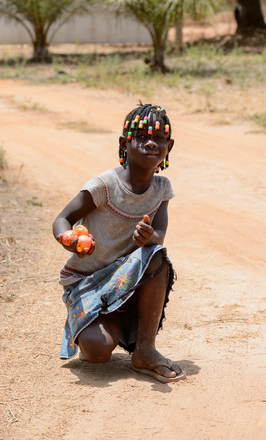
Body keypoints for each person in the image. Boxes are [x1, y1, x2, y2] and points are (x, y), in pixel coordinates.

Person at [52, 103, 186, 383]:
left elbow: (159, 235)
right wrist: (70, 238)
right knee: (99, 351)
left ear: (169, 147)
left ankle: (145, 351)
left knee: (156, 254)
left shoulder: (162, 189)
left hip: (125, 280)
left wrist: (149, 237)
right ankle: (95, 323)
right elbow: (63, 218)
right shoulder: (104, 185)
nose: (152, 143)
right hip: (86, 283)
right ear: (125, 143)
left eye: (160, 138)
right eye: (142, 137)